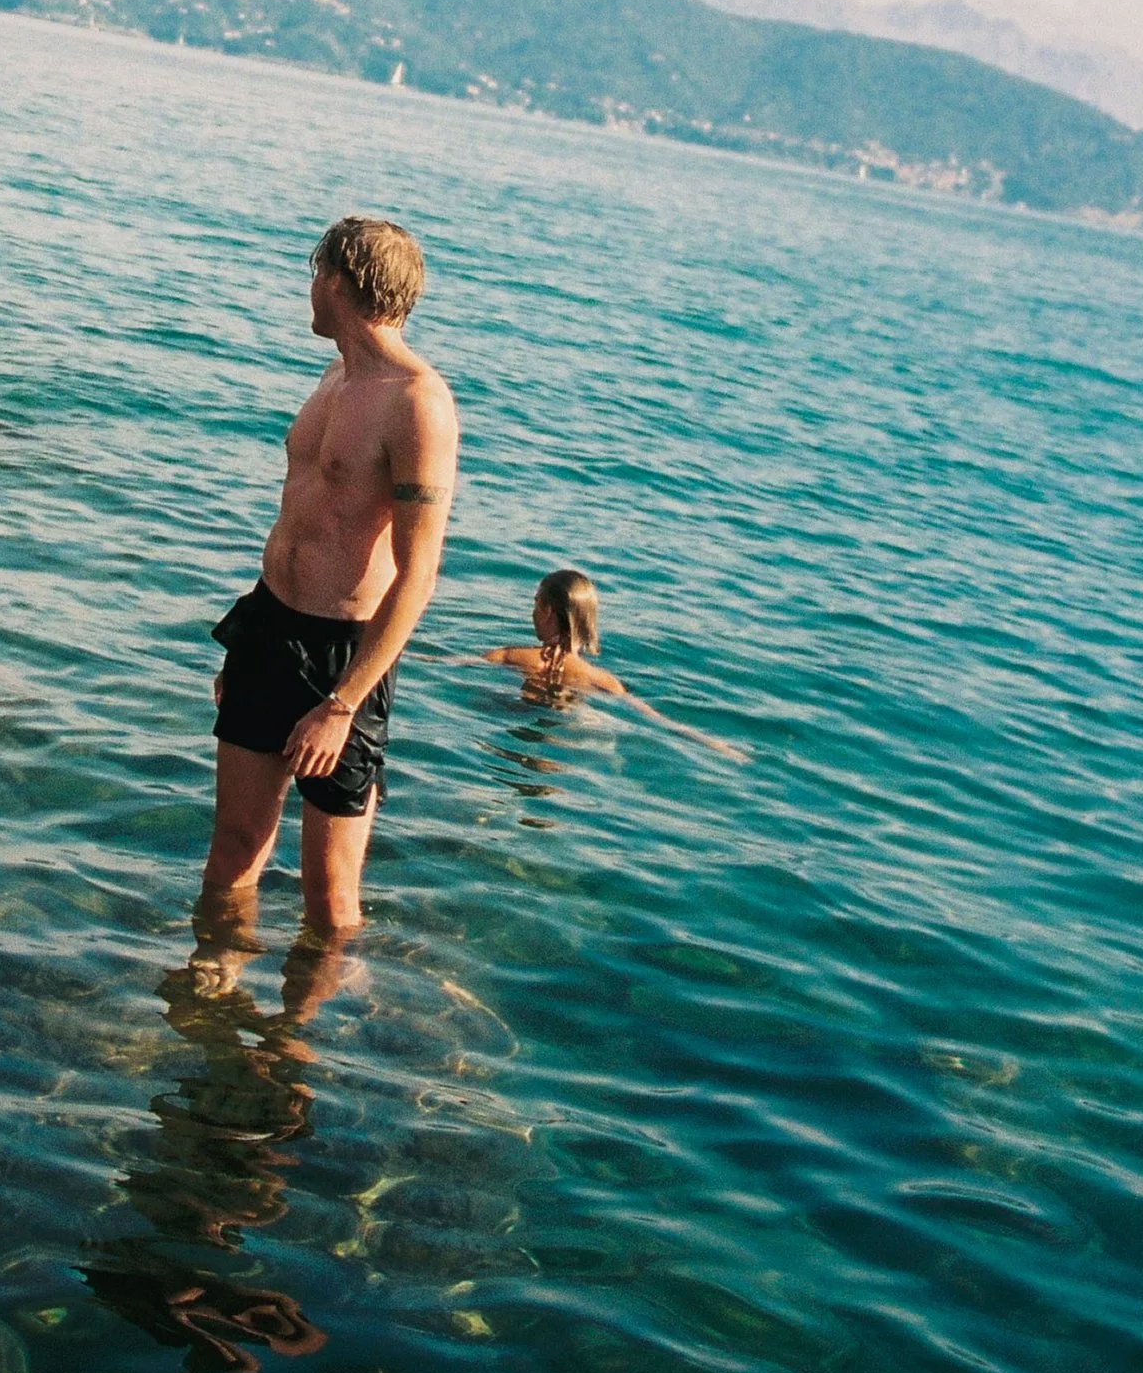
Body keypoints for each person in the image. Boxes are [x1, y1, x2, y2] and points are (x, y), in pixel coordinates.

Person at [199, 213, 458, 944]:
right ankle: (214, 990)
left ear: (338, 282)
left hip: (344, 657)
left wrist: (341, 705)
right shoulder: (334, 374)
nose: (309, 290)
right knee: (233, 850)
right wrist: (246, 644)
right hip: (268, 628)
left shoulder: (419, 404)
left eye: (316, 275)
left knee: (330, 895)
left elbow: (418, 574)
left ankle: (299, 1039)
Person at [475, 568, 747, 761]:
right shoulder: (603, 681)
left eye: (535, 603)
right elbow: (660, 721)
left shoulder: (508, 656)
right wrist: (714, 744)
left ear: (547, 611)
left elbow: (449, 664)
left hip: (513, 720)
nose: (532, 611)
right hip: (566, 736)